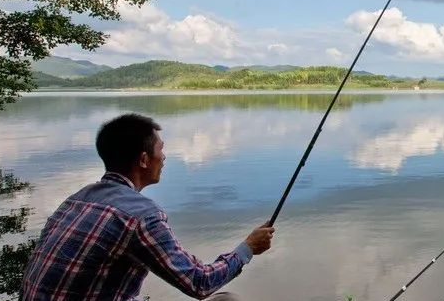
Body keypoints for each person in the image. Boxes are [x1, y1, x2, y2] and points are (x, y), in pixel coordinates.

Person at [20, 113, 274, 301]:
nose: (164, 157)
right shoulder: (140, 216)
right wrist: (247, 248)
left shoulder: (76, 200)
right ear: (143, 159)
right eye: (160, 150)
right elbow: (200, 283)